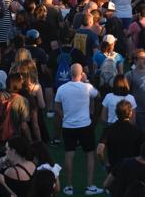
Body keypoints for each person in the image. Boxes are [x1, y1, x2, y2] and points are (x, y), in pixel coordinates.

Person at [54, 63, 102, 195]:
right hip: (85, 125)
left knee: (69, 154)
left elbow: (57, 106)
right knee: (90, 154)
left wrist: (64, 116)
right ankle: (90, 185)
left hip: (68, 126)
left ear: (70, 74)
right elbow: (98, 95)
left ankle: (69, 186)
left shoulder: (62, 89)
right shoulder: (87, 87)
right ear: (81, 74)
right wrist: (86, 81)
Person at [96, 99, 145, 180]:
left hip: (115, 169)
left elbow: (99, 150)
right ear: (130, 113)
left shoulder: (109, 130)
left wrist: (105, 164)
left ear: (116, 113)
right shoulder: (138, 131)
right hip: (133, 169)